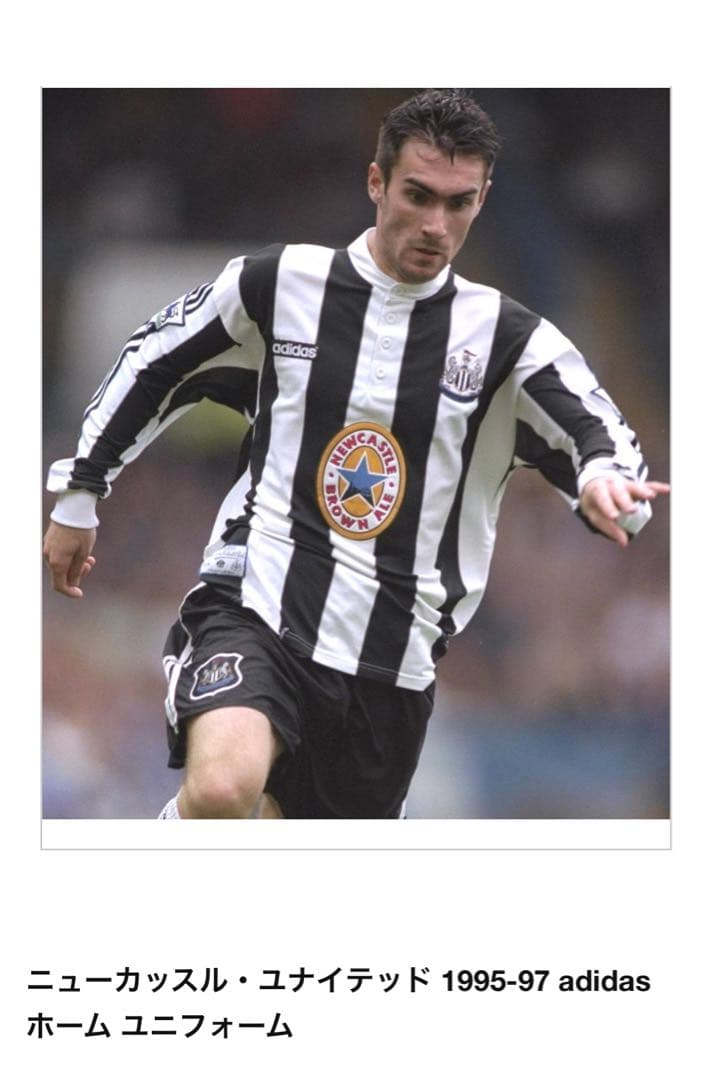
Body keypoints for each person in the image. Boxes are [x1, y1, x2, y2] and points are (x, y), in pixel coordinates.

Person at [43, 89, 669, 820]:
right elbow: (154, 360)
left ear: (483, 199)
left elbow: (601, 434)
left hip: (390, 668)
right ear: (376, 182)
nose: (435, 225)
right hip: (258, 603)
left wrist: (604, 481)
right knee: (222, 789)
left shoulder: (511, 341)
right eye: (417, 196)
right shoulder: (278, 283)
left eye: (459, 204)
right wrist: (81, 495)